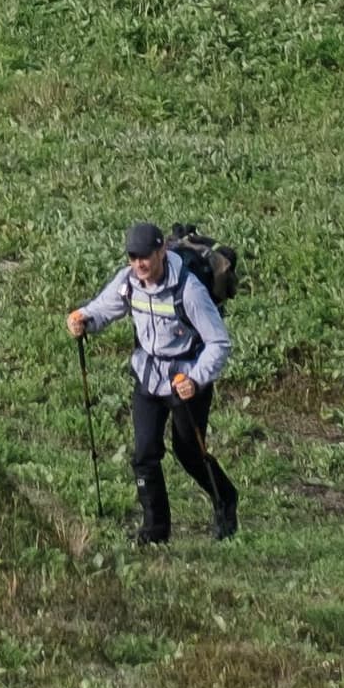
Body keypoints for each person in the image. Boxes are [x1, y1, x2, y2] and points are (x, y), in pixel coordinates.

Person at [67, 225, 237, 546]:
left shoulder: (189, 289)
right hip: (148, 376)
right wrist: (83, 319)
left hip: (185, 378)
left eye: (145, 256)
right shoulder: (128, 281)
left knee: (189, 453)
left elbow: (218, 342)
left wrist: (196, 379)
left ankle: (225, 499)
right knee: (144, 454)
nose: (139, 264)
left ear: (161, 252)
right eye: (133, 257)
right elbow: (103, 309)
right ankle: (155, 531)